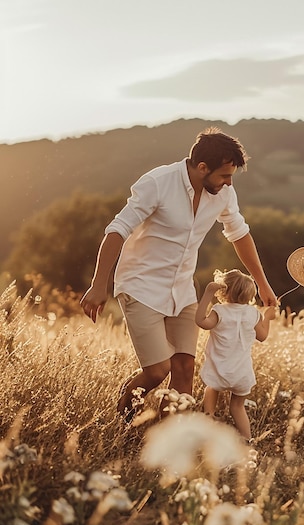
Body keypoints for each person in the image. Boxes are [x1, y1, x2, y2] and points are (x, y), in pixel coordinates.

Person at [80, 127, 277, 420]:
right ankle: (120, 422)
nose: (228, 182)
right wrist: (99, 285)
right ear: (201, 167)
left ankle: (171, 443)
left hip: (183, 289)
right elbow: (117, 230)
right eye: (224, 175)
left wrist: (262, 284)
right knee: (158, 371)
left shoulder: (224, 193)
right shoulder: (158, 183)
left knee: (185, 368)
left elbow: (239, 234)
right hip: (140, 285)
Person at [195, 269, 276, 440]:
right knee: (237, 408)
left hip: (218, 371)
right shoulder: (253, 313)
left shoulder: (220, 311)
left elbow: (201, 321)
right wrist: (267, 317)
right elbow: (262, 337)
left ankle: (207, 434)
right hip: (242, 373)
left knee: (211, 391)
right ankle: (247, 440)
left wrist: (208, 293)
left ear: (224, 290)